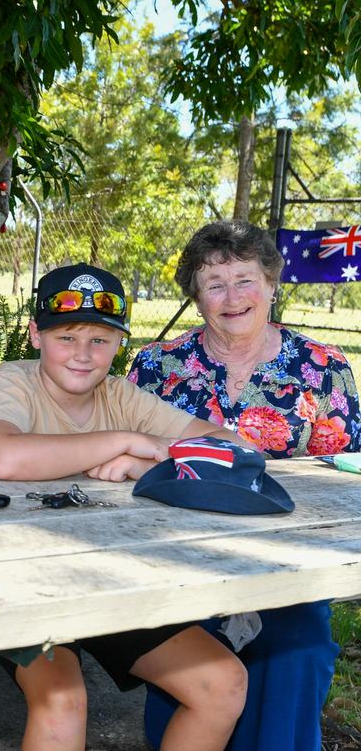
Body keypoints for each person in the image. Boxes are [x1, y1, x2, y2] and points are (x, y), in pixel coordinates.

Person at [0, 262, 249, 751]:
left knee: (222, 684)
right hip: (16, 578)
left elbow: (237, 449)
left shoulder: (121, 395)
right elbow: (4, 457)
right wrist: (125, 441)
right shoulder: (12, 383)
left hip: (107, 578)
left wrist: (144, 463)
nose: (83, 354)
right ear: (35, 335)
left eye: (99, 340)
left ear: (120, 344)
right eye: (67, 337)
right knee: (63, 703)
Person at [129, 220, 361, 751]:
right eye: (215, 284)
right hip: (178, 570)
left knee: (298, 652)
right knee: (194, 670)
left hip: (288, 570)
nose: (232, 297)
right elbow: (130, 467)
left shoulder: (322, 369)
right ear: (196, 296)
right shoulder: (156, 367)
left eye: (245, 279)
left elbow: (348, 475)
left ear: (272, 284)